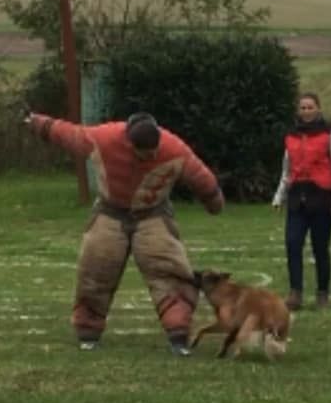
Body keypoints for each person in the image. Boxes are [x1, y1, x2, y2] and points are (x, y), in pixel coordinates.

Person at [25, 110, 224, 356]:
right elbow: (70, 134)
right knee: (95, 271)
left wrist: (213, 200)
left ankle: (179, 334)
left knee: (170, 273)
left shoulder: (173, 148)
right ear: (130, 143)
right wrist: (38, 123)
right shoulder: (104, 138)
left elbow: (199, 175)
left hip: (153, 215)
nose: (151, 155)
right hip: (110, 212)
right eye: (145, 152)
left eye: (154, 150)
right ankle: (88, 332)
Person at [272, 92, 331, 311]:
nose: (306, 111)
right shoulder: (291, 135)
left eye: (310, 107)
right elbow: (287, 170)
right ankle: (295, 293)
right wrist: (280, 196)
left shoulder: (330, 133)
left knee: (320, 248)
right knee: (292, 243)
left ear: (318, 109)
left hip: (322, 198)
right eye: (302, 108)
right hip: (297, 198)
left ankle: (322, 293)